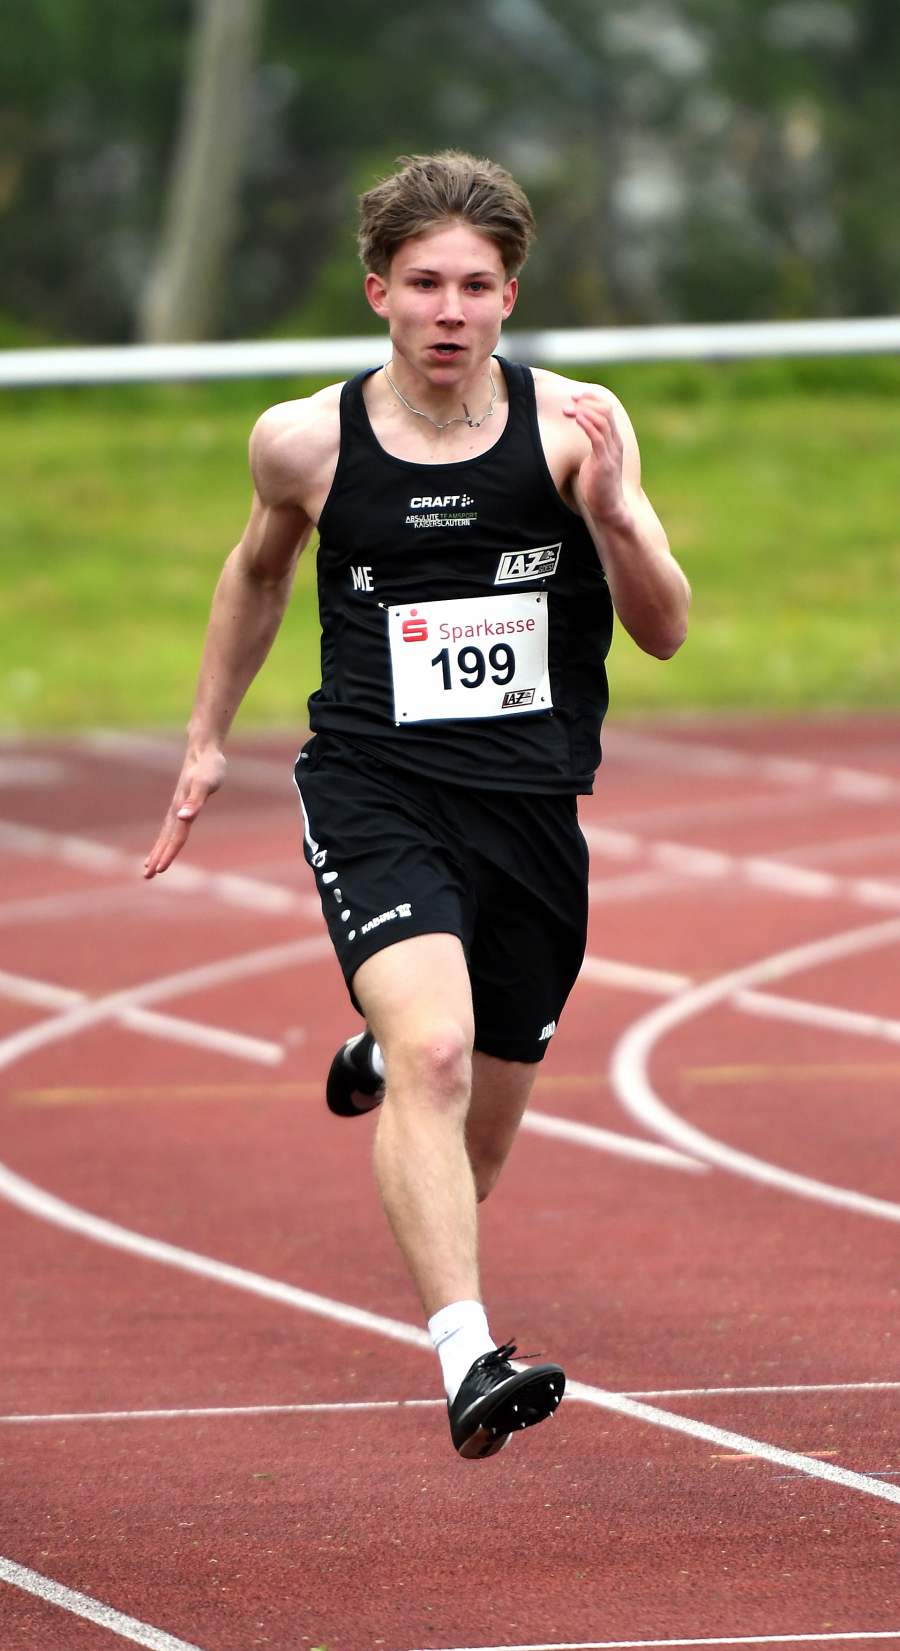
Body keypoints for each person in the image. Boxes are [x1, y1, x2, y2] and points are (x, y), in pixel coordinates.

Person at [145, 152, 690, 1460]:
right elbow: (255, 574)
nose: (452, 311)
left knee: (475, 1136)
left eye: (479, 287)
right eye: (428, 284)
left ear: (511, 299)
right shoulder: (304, 442)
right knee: (439, 1053)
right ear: (380, 289)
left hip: (532, 813)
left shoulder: (576, 429)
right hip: (376, 789)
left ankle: (386, 1061)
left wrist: (615, 519)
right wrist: (207, 741)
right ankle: (467, 1355)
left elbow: (665, 630)